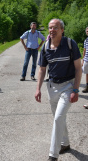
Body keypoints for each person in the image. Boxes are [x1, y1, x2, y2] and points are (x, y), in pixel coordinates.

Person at [35, 19, 82, 161]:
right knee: (58, 118)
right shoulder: (45, 48)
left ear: (62, 30)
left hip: (68, 86)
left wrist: (76, 89)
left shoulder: (70, 44)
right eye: (50, 28)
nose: (51, 30)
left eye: (55, 27)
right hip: (52, 88)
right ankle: (65, 143)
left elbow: (78, 68)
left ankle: (53, 155)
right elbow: (42, 70)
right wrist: (38, 89)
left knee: (58, 118)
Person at [81, 27, 88, 94]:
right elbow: (84, 50)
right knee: (86, 73)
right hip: (86, 59)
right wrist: (83, 60)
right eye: (87, 31)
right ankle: (87, 86)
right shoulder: (86, 40)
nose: (87, 32)